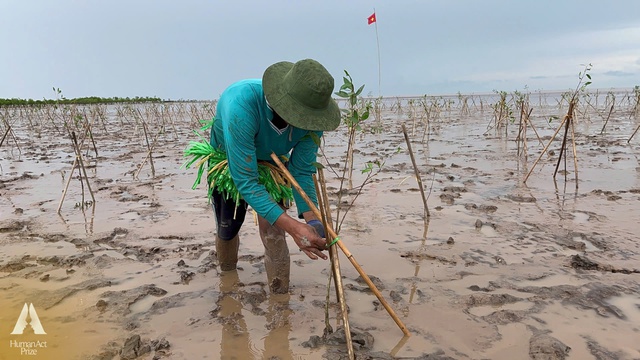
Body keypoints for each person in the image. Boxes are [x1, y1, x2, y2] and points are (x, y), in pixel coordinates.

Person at [209, 58, 341, 294]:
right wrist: (294, 227)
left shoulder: (313, 118)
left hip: (272, 163)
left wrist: (312, 222)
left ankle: (280, 302)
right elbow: (246, 180)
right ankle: (227, 279)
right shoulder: (240, 104)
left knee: (274, 231)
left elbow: (300, 170)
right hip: (230, 161)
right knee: (228, 227)